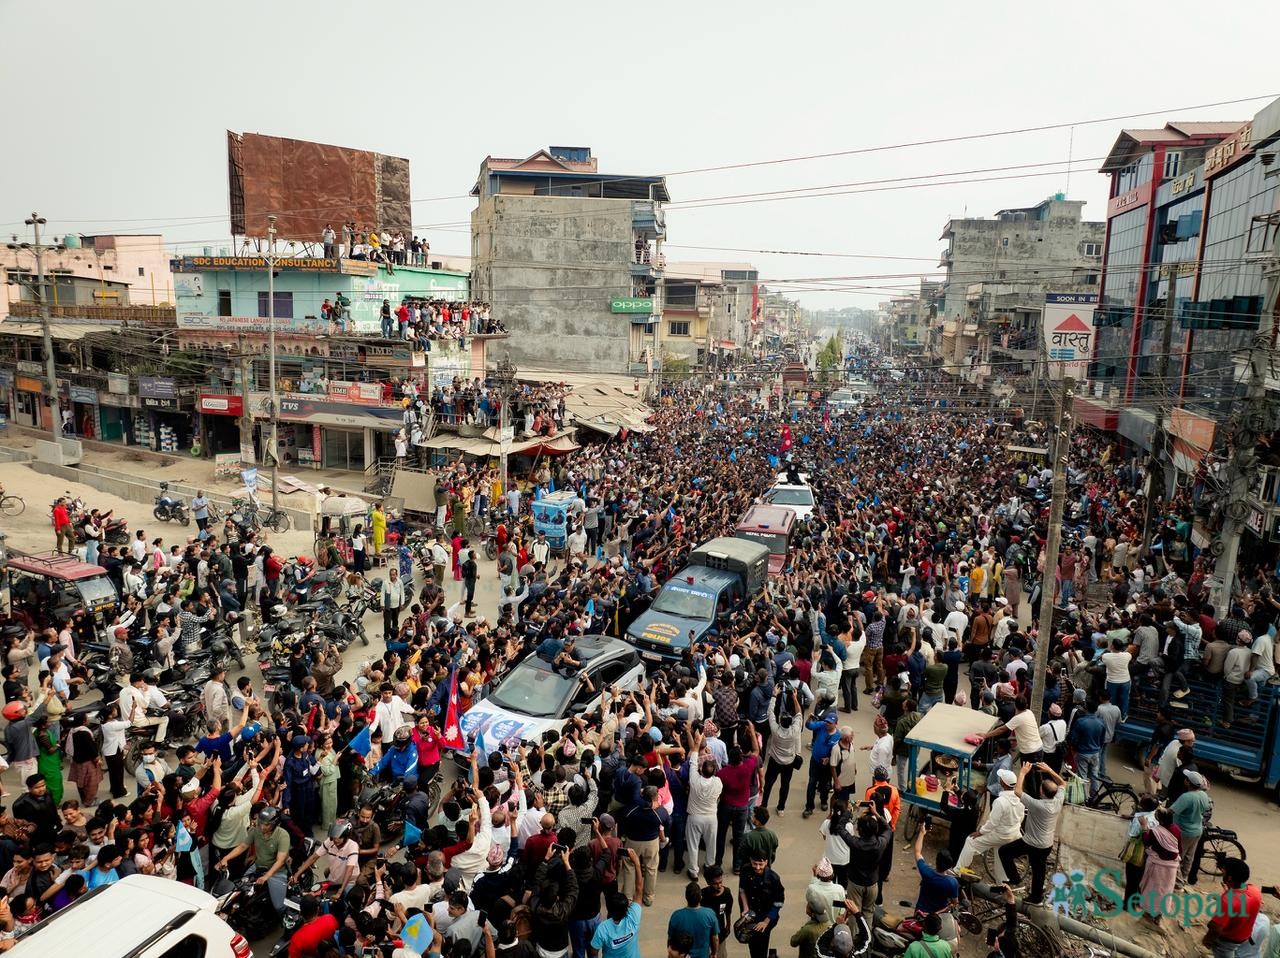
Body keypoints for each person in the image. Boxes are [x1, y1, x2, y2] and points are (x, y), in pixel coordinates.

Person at [998, 761, 1065, 905]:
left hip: (1031, 843)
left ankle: (1015, 879)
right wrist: (1050, 770)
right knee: (1039, 869)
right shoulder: (1058, 800)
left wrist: (1022, 772)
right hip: (1047, 844)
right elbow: (1062, 784)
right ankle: (1036, 897)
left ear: (1042, 792)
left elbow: (1017, 791)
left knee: (1004, 852)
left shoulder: (1037, 805)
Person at [215, 805, 292, 913]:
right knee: (240, 889)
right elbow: (242, 846)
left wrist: (266, 876)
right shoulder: (255, 831)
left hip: (276, 873)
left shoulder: (283, 835)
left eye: (266, 825)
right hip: (258, 867)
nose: (262, 827)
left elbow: (280, 860)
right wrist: (225, 858)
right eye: (261, 823)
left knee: (279, 907)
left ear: (274, 824)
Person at [954, 768, 1024, 882]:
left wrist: (980, 832)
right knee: (999, 856)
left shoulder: (1000, 801)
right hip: (1014, 834)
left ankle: (957, 871)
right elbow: (1021, 817)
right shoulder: (1019, 798)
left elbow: (992, 823)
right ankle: (1002, 884)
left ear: (1003, 783)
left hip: (1001, 834)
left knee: (971, 841)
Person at [1205, 858, 1262, 958]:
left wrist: (1207, 940)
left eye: (1223, 872)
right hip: (1244, 936)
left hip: (1227, 940)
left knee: (1224, 953)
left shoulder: (1227, 901)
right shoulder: (1254, 890)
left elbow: (1216, 929)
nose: (1222, 873)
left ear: (1230, 878)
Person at [737, 848, 784, 958]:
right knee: (752, 945)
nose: (757, 867)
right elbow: (742, 890)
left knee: (761, 947)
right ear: (750, 860)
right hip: (751, 915)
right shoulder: (745, 870)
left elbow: (778, 903)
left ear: (766, 862)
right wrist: (745, 908)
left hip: (766, 917)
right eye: (755, 864)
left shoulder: (773, 878)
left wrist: (765, 922)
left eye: (761, 864)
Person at [1170, 770, 1211, 886]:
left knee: (1177, 857)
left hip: (1184, 832)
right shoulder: (1203, 795)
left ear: (1188, 782)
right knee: (1189, 857)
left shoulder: (1187, 797)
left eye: (1186, 778)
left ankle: (1177, 882)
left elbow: (1171, 811)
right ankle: (1183, 878)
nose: (1185, 779)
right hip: (1197, 830)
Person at [668, 881, 720, 958]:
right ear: (701, 897)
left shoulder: (676, 916)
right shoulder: (710, 914)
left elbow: (670, 939)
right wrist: (714, 953)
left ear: (686, 897)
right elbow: (715, 938)